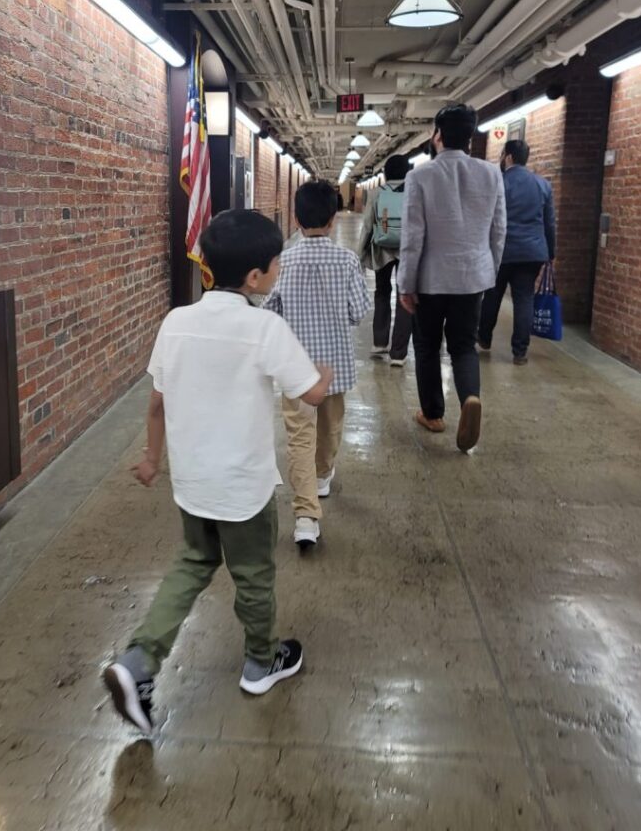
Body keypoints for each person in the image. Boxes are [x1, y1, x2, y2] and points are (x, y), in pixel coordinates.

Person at [103, 209, 333, 735]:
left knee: (192, 564)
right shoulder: (263, 326)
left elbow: (157, 403)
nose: (277, 270)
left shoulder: (176, 321)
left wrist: (151, 459)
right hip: (244, 488)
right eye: (275, 264)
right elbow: (312, 395)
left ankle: (138, 662)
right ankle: (260, 661)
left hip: (192, 482)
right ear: (256, 277)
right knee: (253, 575)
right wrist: (324, 371)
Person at [264, 181, 370, 547]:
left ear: (295, 218)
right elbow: (358, 311)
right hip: (334, 369)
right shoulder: (346, 260)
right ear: (334, 219)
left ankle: (306, 518)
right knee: (329, 429)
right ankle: (322, 476)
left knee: (298, 438)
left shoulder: (283, 261)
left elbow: (270, 313)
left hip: (295, 372)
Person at [397, 104, 506, 453]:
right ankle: (470, 397)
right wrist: (487, 270)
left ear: (438, 135)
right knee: (463, 346)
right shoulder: (492, 174)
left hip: (431, 279)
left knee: (427, 346)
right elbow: (499, 230)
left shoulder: (421, 176)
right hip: (472, 277)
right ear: (471, 136)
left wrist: (406, 284)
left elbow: (413, 236)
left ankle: (433, 414)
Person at [478, 139, 556, 365]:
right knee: (524, 299)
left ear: (508, 156)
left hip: (502, 250)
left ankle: (484, 338)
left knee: (492, 295)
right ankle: (520, 351)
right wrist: (551, 251)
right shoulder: (543, 185)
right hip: (532, 252)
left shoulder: (498, 182)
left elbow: (487, 219)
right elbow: (550, 223)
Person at [358, 154, 414, 364]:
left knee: (382, 292)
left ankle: (380, 343)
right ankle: (398, 354)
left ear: (385, 173)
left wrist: (359, 254)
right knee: (405, 296)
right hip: (407, 250)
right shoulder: (414, 192)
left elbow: (367, 226)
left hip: (382, 248)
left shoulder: (376, 192)